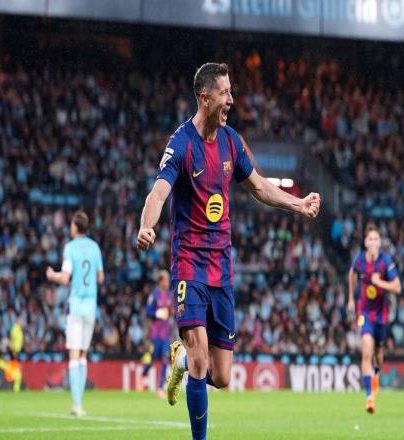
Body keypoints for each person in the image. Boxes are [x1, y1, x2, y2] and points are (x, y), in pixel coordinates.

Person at [137, 62, 321, 440]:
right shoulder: (181, 143)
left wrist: (298, 204)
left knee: (220, 376)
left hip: (221, 266)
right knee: (201, 357)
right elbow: (158, 192)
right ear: (205, 98)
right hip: (189, 263)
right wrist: (146, 225)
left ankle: (180, 359)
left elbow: (259, 187)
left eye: (231, 92)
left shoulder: (231, 142)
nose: (232, 100)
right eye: (225, 93)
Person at [46, 211, 104, 417]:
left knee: (73, 355)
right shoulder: (95, 247)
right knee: (83, 356)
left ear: (75, 226)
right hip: (91, 307)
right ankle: (80, 404)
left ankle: (77, 404)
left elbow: (64, 278)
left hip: (77, 306)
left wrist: (52, 275)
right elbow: (100, 278)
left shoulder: (70, 247)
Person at [347, 223, 401, 414]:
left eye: (376, 239)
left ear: (380, 243)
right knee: (366, 351)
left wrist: (380, 283)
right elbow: (352, 274)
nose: (373, 242)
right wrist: (351, 298)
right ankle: (369, 397)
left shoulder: (386, 261)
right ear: (365, 242)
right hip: (364, 312)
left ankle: (376, 374)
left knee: (378, 353)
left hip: (381, 314)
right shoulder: (359, 260)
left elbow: (397, 287)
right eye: (370, 239)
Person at [143, 270, 173, 399]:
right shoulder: (154, 295)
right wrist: (157, 313)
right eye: (165, 280)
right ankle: (144, 373)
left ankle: (160, 388)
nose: (167, 282)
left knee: (165, 359)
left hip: (165, 334)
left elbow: (172, 311)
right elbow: (147, 312)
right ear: (161, 281)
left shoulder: (170, 295)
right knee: (152, 358)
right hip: (155, 333)